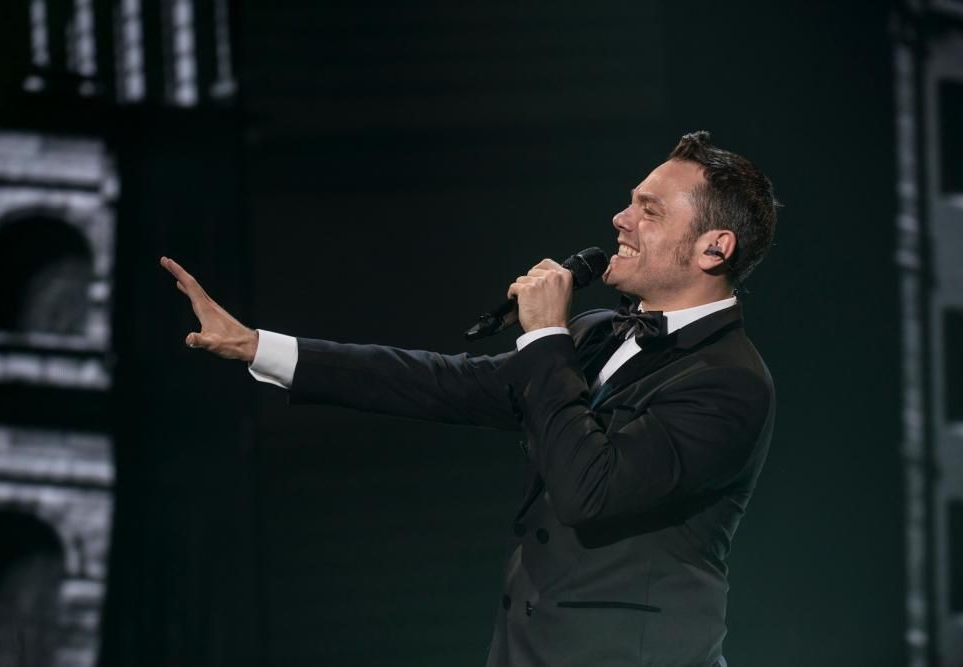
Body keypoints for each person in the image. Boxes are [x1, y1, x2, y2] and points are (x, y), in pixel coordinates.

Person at [161, 130, 778, 667]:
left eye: (649, 211)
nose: (620, 219)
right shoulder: (594, 334)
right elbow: (440, 383)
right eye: (630, 202)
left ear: (714, 247)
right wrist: (259, 347)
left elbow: (589, 490)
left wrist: (545, 336)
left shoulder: (729, 383)